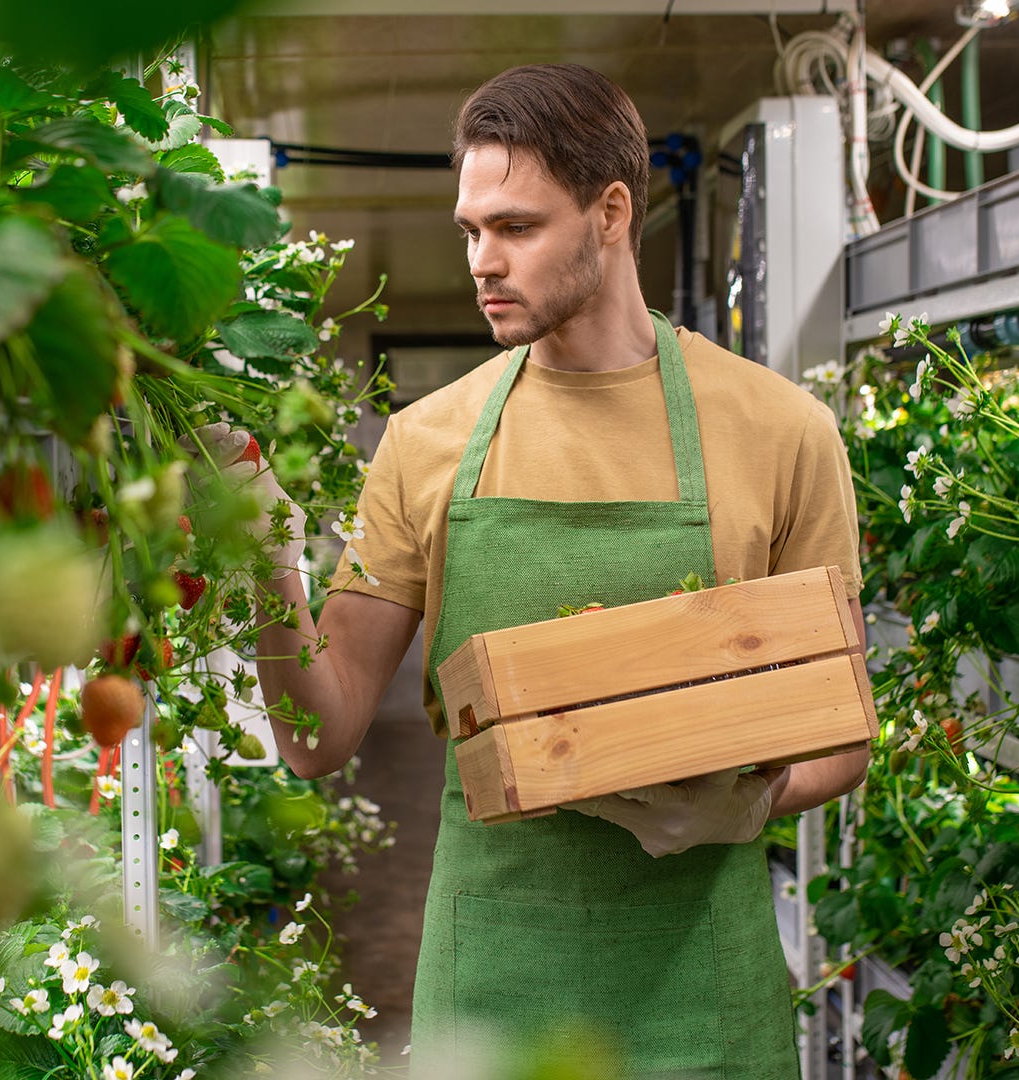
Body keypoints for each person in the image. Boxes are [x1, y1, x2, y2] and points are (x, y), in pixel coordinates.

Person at [193, 63, 869, 1078]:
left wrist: (742, 803)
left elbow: (844, 730)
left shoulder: (778, 430)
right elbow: (318, 736)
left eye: (515, 227)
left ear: (609, 214)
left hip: (705, 997)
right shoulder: (427, 442)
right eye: (471, 231)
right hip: (493, 994)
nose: (481, 261)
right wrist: (269, 568)